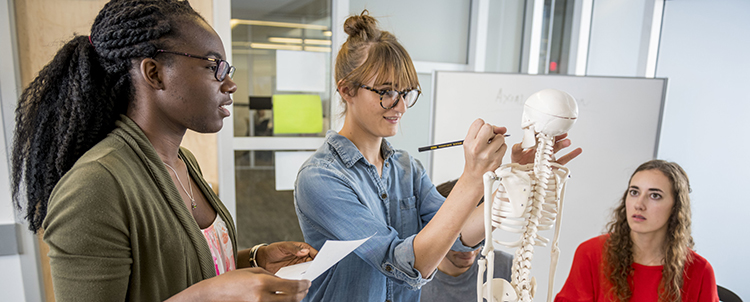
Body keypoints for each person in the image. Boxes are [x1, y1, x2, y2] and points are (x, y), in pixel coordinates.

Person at [10, 1, 315, 301]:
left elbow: (179, 265)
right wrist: (209, 297)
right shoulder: (93, 186)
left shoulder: (183, 162)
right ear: (154, 73)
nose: (231, 84)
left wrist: (254, 259)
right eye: (214, 67)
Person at [293, 10, 582, 301]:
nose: (401, 107)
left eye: (406, 93)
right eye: (386, 92)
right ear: (347, 91)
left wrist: (511, 178)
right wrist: (472, 177)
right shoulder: (321, 178)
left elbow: (459, 239)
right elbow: (404, 264)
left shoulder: (405, 167)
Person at [555, 160, 718, 302]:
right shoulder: (591, 254)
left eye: (655, 195)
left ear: (676, 207)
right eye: (634, 192)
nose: (639, 204)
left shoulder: (700, 270)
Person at [420, 179, 514, 302]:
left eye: (476, 235)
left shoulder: (506, 267)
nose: (470, 251)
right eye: (458, 236)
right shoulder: (414, 279)